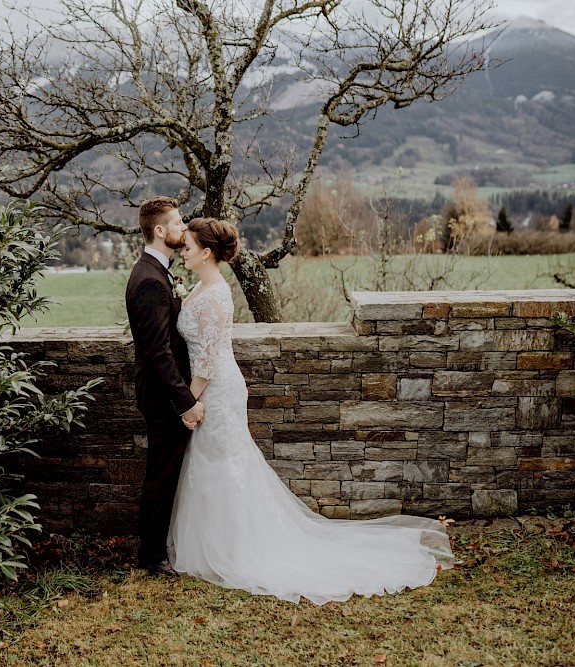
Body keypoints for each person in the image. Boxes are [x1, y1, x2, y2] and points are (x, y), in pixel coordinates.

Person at [168, 217, 455, 604]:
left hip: (217, 389)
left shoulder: (217, 294)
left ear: (205, 252)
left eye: (186, 247)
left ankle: (239, 548)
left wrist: (189, 401)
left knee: (226, 464)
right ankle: (213, 544)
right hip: (208, 389)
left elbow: (206, 359)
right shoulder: (201, 286)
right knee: (212, 462)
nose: (181, 251)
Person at [125, 196, 206, 577]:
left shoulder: (157, 272)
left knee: (166, 470)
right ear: (159, 231)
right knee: (160, 474)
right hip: (162, 397)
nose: (183, 227)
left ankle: (157, 550)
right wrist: (185, 401)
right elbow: (158, 353)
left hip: (164, 393)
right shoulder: (148, 281)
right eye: (177, 223)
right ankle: (152, 556)